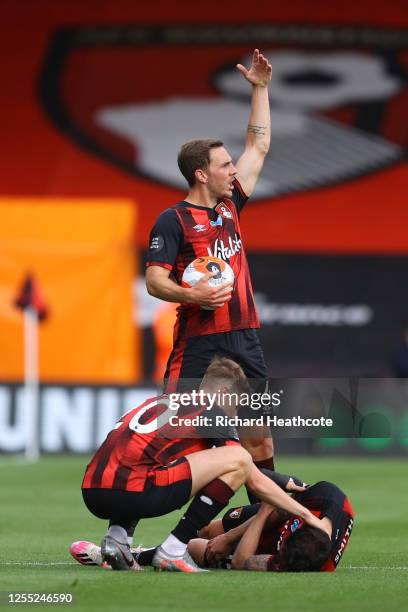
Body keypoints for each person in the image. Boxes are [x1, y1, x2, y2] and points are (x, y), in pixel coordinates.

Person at [145, 48, 274, 472]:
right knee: (175, 430)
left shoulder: (230, 206)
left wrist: (260, 89)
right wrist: (191, 293)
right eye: (225, 164)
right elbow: (154, 281)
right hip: (199, 339)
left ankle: (265, 526)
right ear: (202, 174)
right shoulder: (173, 220)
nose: (234, 169)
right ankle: (122, 528)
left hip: (244, 336)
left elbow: (258, 144)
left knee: (259, 435)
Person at [77, 358, 329, 572]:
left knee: (144, 463)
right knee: (238, 459)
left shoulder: (162, 401)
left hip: (92, 491)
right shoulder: (211, 409)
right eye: (236, 406)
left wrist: (281, 479)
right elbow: (244, 469)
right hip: (134, 493)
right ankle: (173, 550)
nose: (234, 415)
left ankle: (118, 540)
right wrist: (305, 514)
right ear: (224, 394)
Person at [187, 480, 354, 572]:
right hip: (271, 516)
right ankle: (176, 540)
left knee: (194, 548)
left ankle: (167, 553)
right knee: (207, 530)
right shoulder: (324, 495)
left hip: (269, 544)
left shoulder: (305, 561)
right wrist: (228, 537)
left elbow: (241, 562)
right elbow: (275, 511)